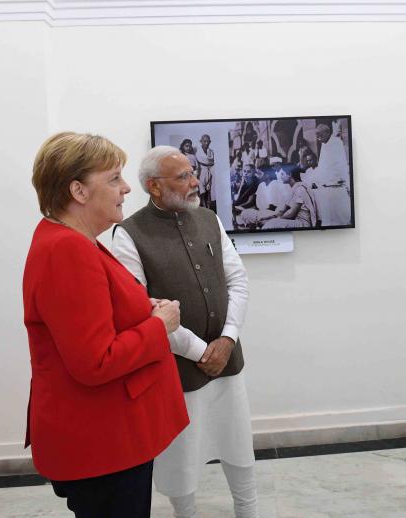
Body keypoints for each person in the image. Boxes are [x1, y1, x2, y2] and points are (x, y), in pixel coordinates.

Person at [23, 132, 188, 517]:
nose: (126, 187)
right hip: (103, 445)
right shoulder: (67, 250)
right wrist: (159, 325)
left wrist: (140, 307)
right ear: (78, 191)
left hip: (107, 440)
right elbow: (95, 361)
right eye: (114, 178)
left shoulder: (73, 240)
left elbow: (92, 312)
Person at [112, 146, 258, 518]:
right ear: (154, 186)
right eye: (183, 177)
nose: (194, 181)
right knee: (182, 456)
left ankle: (249, 510)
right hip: (177, 370)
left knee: (238, 443)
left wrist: (226, 339)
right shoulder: (128, 235)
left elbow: (238, 281)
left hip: (228, 361)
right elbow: (143, 308)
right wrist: (199, 352)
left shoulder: (209, 219)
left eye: (192, 173)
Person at [309, 123, 351, 226]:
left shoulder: (336, 143)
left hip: (336, 187)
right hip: (326, 189)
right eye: (316, 134)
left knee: (340, 219)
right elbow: (323, 167)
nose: (317, 137)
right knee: (328, 219)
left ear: (327, 132)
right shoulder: (324, 145)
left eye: (319, 134)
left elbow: (340, 166)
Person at [262, 153, 318, 229]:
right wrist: (270, 217)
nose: (281, 177)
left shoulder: (300, 189)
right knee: (268, 222)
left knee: (273, 224)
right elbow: (283, 209)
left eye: (283, 174)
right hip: (294, 220)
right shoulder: (293, 188)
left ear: (290, 174)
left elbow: (292, 212)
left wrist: (277, 219)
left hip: (303, 224)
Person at [196, 134, 215, 210]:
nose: (206, 143)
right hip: (201, 172)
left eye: (208, 141)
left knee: (208, 192)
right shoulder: (197, 151)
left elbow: (213, 162)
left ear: (210, 142)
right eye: (204, 141)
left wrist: (209, 164)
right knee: (202, 193)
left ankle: (209, 208)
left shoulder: (211, 151)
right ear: (201, 141)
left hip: (209, 172)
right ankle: (204, 209)